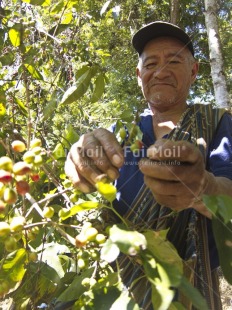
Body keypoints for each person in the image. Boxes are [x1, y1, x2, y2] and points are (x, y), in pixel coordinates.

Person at [65, 21, 232, 309]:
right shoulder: (119, 133)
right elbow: (91, 193)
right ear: (139, 74)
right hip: (119, 289)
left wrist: (203, 187)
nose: (161, 71)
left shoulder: (218, 123)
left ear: (194, 72)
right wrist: (80, 161)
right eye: (151, 63)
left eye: (174, 61)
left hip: (194, 289)